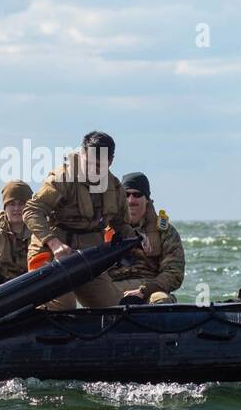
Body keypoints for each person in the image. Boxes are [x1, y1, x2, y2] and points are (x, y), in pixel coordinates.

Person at [24, 131, 146, 310]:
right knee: (64, 309)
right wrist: (54, 243)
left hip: (88, 258)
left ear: (110, 161)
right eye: (87, 163)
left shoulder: (114, 186)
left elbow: (120, 223)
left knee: (114, 309)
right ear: (81, 154)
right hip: (50, 255)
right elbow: (32, 211)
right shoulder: (62, 179)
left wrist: (138, 237)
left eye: (98, 166)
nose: (91, 169)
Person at [107, 172, 185, 304]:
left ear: (147, 199)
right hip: (112, 288)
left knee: (162, 300)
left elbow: (173, 273)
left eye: (137, 195)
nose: (131, 200)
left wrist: (144, 291)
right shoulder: (104, 230)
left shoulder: (165, 232)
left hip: (150, 289)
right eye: (126, 195)